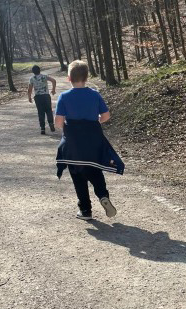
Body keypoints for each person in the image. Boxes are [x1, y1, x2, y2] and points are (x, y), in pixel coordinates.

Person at [54, 59, 123, 221]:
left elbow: (58, 122)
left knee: (77, 176)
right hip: (93, 141)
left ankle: (85, 210)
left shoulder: (64, 97)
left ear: (69, 78)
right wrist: (93, 124)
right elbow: (106, 116)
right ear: (86, 78)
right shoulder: (95, 95)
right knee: (95, 170)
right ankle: (103, 195)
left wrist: (70, 130)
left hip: (73, 143)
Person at [28, 65, 57, 135]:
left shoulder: (32, 79)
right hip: (46, 96)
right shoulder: (44, 76)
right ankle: (51, 123)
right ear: (39, 70)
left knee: (40, 112)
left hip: (38, 97)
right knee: (49, 110)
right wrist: (53, 89)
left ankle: (42, 128)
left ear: (33, 72)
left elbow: (29, 89)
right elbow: (53, 80)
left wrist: (29, 97)